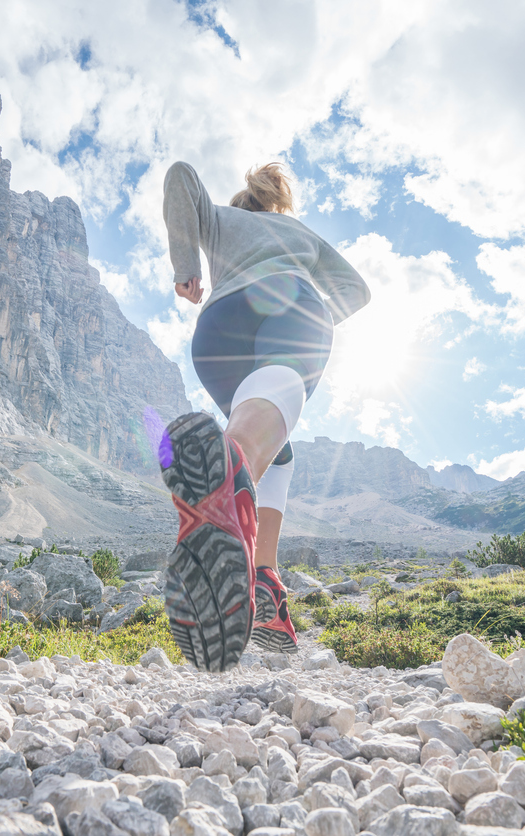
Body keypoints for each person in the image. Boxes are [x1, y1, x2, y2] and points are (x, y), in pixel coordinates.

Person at [158, 160, 370, 672]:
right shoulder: (296, 231)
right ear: (274, 203)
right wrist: (313, 309)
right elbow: (356, 291)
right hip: (289, 304)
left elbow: (182, 177)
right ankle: (229, 478)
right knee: (269, 414)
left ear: (240, 204)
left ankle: (261, 579)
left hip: (216, 331)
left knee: (277, 453)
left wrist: (187, 266)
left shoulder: (224, 223)